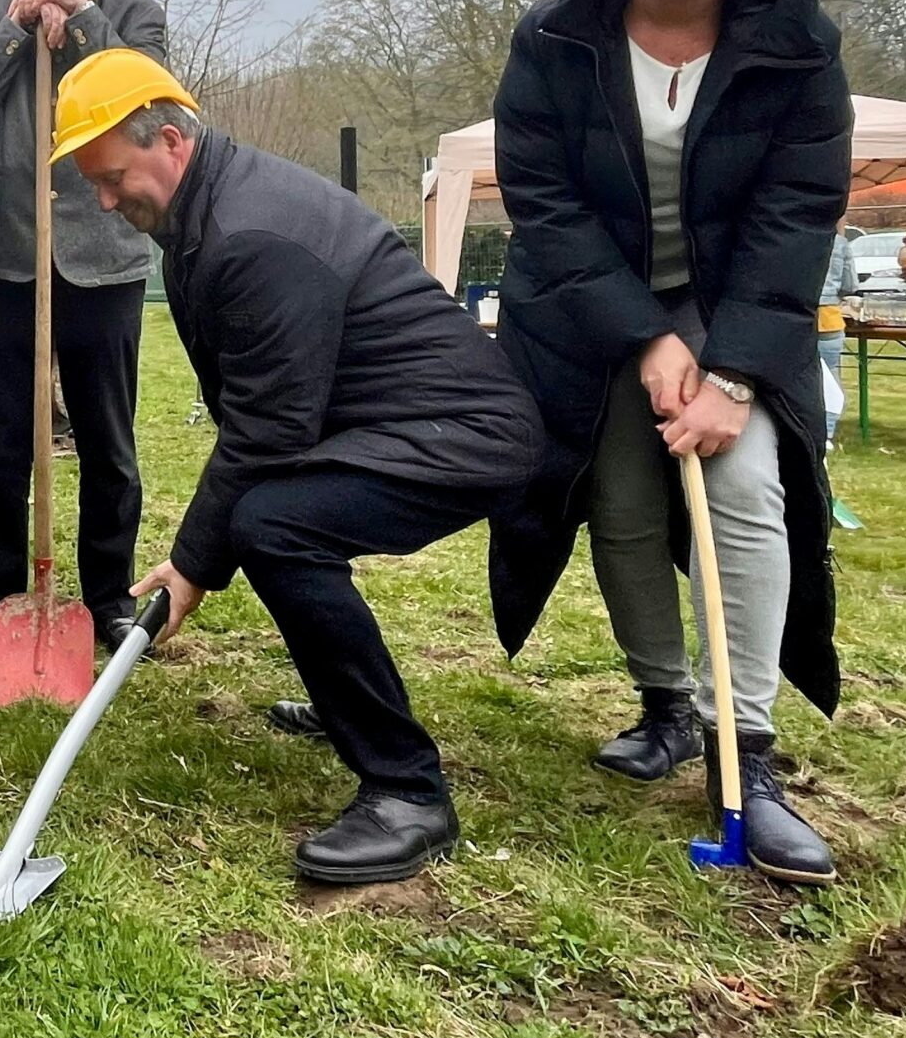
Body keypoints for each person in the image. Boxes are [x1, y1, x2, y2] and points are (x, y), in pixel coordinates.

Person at [55, 51, 543, 883]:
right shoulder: (210, 205)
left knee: (274, 526)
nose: (104, 201)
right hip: (384, 423)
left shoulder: (251, 230)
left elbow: (267, 429)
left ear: (170, 140)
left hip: (462, 433)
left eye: (111, 177)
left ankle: (407, 789)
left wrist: (193, 565)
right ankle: (343, 699)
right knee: (278, 517)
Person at [492, 0, 850, 887]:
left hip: (737, 304)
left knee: (743, 488)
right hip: (587, 308)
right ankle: (662, 706)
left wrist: (731, 366)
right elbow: (542, 203)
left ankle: (743, 751)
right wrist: (646, 340)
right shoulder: (554, 35)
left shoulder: (797, 49)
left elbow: (797, 212)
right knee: (621, 499)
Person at [0, 0, 166, 651]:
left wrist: (81, 18)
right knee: (6, 437)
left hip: (104, 257)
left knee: (108, 439)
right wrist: (17, 27)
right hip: (6, 254)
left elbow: (148, 100)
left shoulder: (138, 16)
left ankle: (107, 595)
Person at [819, 229, 854, 451]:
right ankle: (827, 431)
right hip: (829, 318)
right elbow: (849, 285)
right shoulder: (840, 243)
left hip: (790, 318)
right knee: (830, 377)